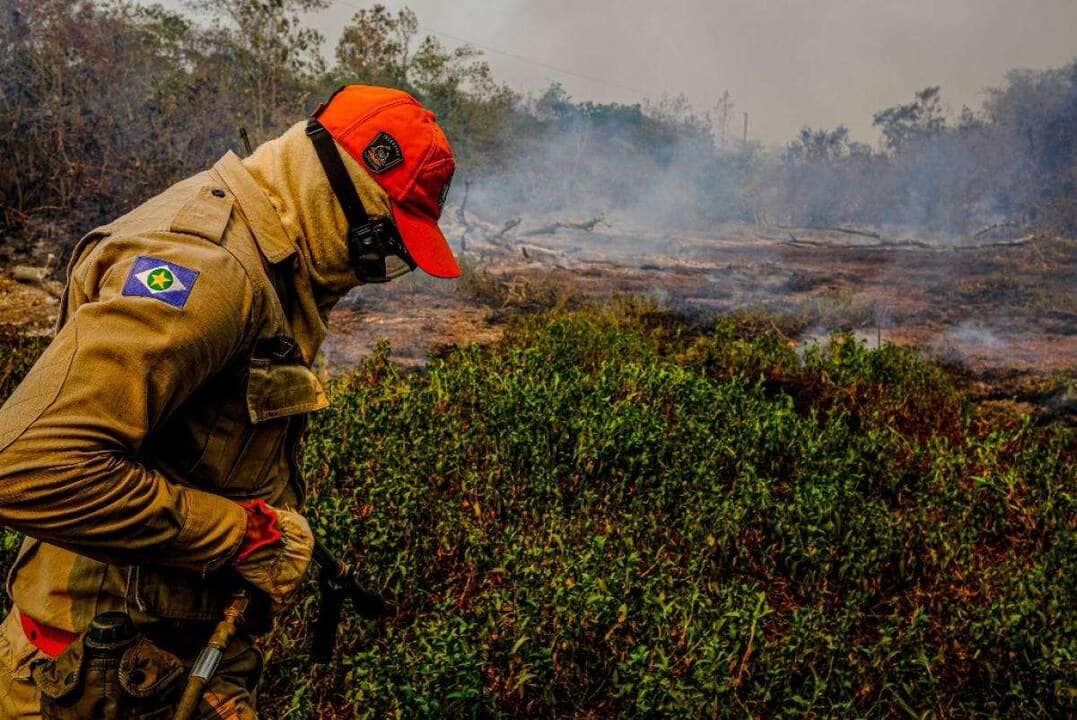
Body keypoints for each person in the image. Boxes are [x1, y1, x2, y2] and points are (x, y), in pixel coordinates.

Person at [0, 85, 459, 719]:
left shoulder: (262, 253)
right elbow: (24, 466)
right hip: (100, 680)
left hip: (156, 666)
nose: (368, 271)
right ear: (330, 185)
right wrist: (243, 536)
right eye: (377, 242)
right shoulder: (212, 271)